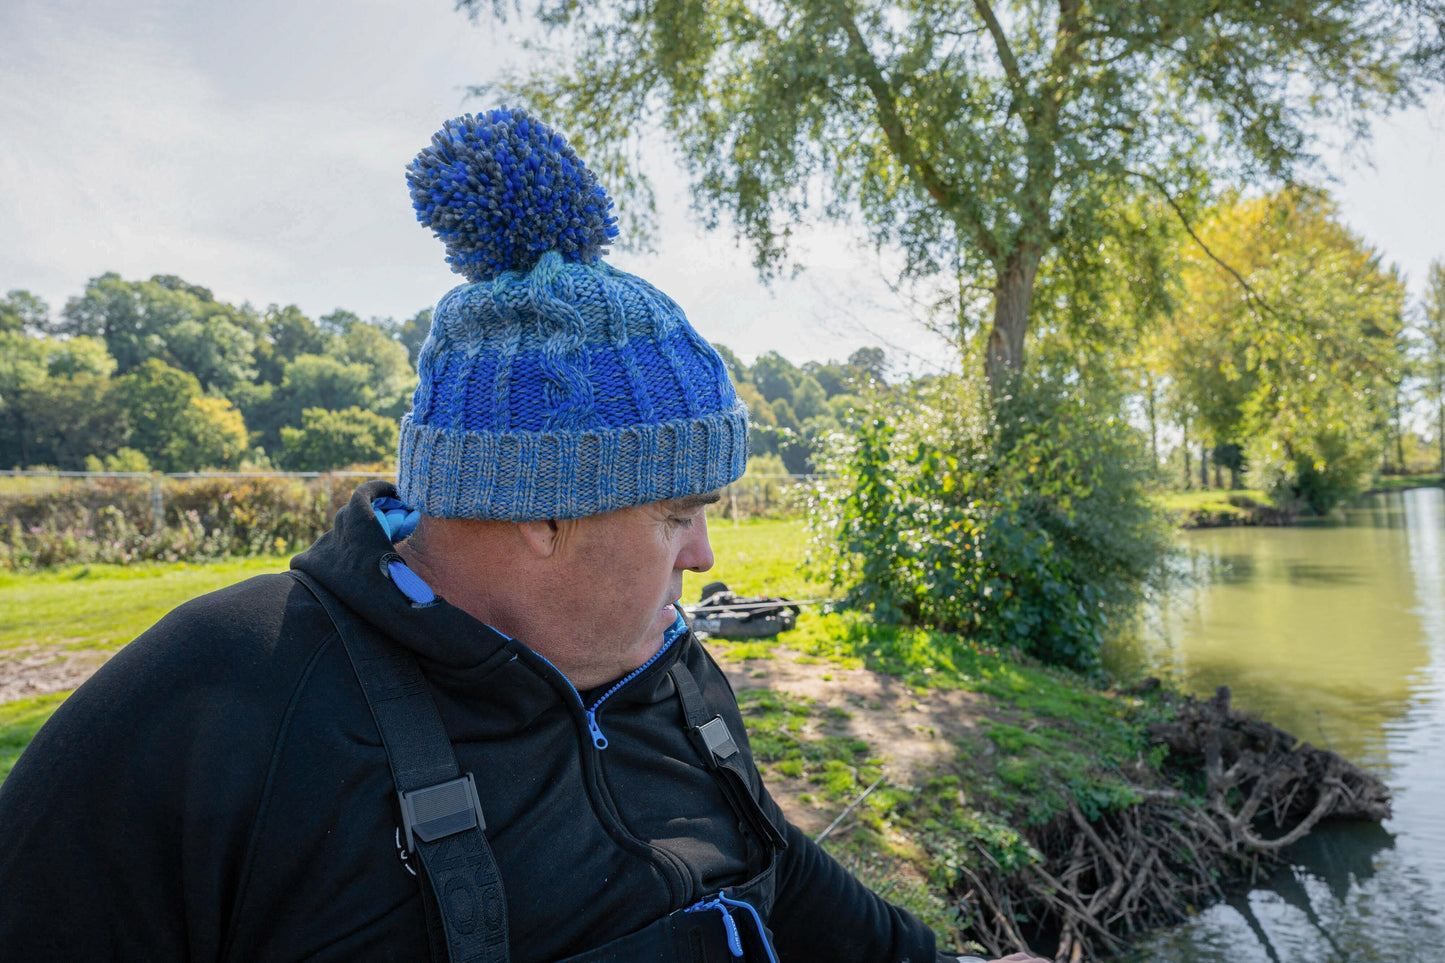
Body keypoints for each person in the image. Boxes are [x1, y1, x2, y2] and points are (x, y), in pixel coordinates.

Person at [0, 109, 1049, 963]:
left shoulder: (667, 673)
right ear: (539, 511)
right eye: (676, 516)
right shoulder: (216, 698)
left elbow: (775, 870)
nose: (703, 561)